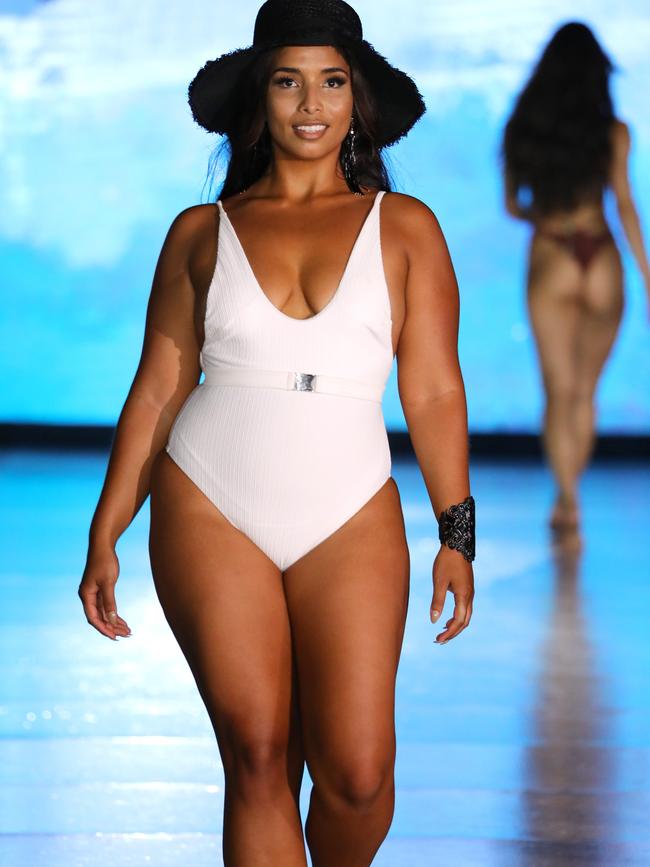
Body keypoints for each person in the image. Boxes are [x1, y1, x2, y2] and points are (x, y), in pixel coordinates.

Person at [78, 1, 475, 864]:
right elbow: (154, 393)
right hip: (210, 499)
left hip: (350, 508)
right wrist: (105, 530)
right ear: (259, 98)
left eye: (332, 81)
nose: (310, 103)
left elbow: (436, 389)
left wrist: (458, 534)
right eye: (288, 81)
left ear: (357, 99)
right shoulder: (200, 232)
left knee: (360, 774)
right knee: (257, 757)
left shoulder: (406, 228)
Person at [502, 21, 650, 536]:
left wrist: (546, 218)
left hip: (552, 252)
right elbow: (626, 206)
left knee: (558, 390)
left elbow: (512, 206)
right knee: (586, 392)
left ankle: (565, 498)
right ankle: (573, 494)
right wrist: (649, 279)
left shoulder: (523, 128)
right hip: (602, 253)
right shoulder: (614, 131)